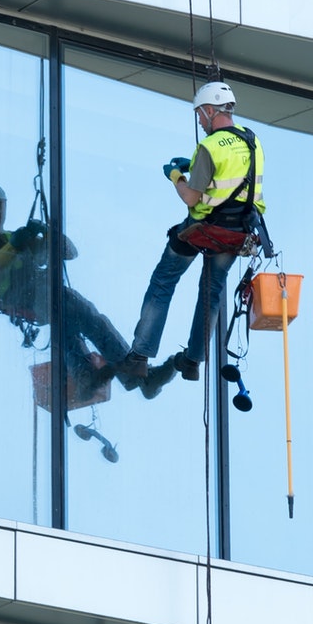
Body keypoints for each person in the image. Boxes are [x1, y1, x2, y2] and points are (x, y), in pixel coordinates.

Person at [117, 80, 269, 396]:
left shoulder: (209, 147)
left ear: (211, 110)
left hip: (205, 228)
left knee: (164, 280)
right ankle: (193, 361)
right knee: (211, 292)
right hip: (237, 233)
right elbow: (234, 184)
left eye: (200, 114)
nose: (200, 121)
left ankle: (140, 355)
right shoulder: (253, 143)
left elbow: (191, 198)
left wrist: (177, 177)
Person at [0, 183, 135, 393]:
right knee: (86, 316)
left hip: (42, 293)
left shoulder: (19, 238)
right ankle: (129, 373)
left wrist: (48, 234)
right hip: (22, 298)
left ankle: (89, 379)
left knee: (73, 322)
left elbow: (69, 252)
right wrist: (13, 247)